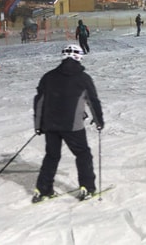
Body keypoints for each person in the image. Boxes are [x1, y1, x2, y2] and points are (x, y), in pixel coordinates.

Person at [32, 44, 104, 203]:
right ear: (79, 57)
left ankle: (43, 190)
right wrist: (99, 121)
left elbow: (39, 101)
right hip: (72, 126)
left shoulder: (49, 76)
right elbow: (93, 101)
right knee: (83, 154)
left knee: (52, 156)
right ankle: (87, 187)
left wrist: (38, 125)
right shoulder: (83, 78)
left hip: (51, 125)